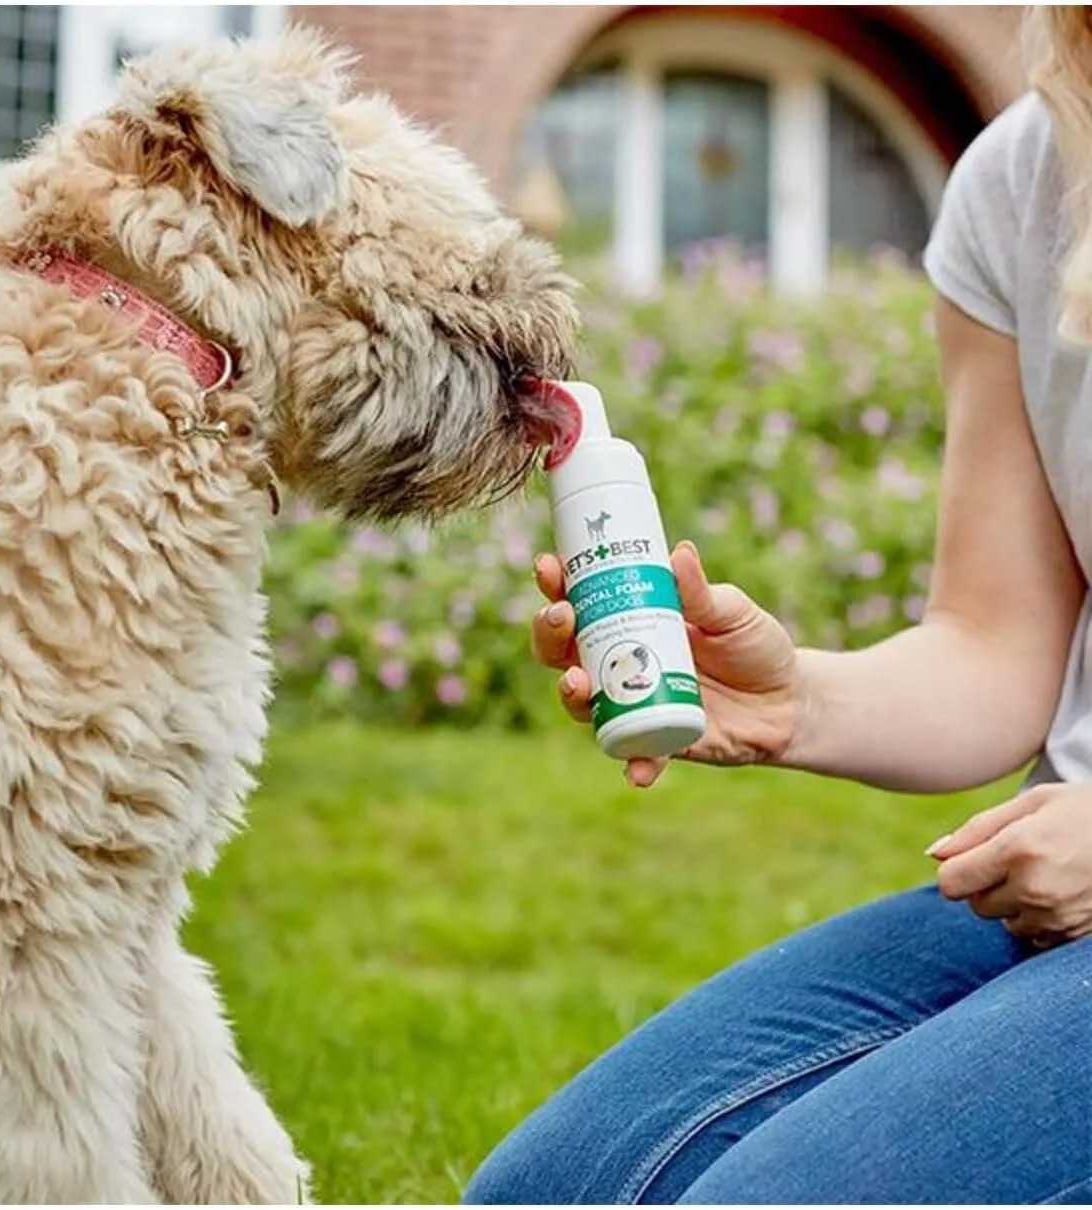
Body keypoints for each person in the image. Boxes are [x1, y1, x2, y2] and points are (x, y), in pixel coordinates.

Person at [463, 9, 1092, 1206]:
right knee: (550, 1191)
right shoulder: (1022, 177)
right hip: (1054, 887)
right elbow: (1000, 642)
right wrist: (798, 700)